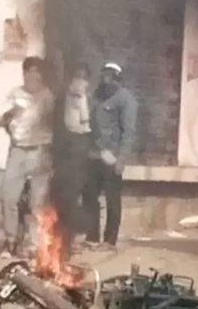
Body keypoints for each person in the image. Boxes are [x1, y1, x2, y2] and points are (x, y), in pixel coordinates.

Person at [0, 56, 54, 259]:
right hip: (18, 150)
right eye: (28, 71)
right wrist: (4, 119)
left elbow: (55, 123)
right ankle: (11, 241)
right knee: (9, 196)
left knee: (37, 202)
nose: (32, 75)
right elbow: (2, 119)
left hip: (40, 150)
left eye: (36, 71)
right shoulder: (15, 94)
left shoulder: (49, 97)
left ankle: (33, 244)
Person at [83, 63, 138, 251]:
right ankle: (92, 236)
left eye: (110, 77)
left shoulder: (126, 100)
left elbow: (129, 132)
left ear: (117, 78)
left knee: (112, 198)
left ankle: (109, 240)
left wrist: (121, 158)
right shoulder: (97, 95)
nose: (106, 80)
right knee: (89, 195)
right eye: (104, 76)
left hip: (112, 156)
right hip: (94, 154)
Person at [51, 63, 93, 256]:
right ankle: (59, 241)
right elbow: (54, 125)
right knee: (59, 200)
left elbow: (96, 130)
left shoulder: (92, 103)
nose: (78, 81)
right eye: (76, 77)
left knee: (72, 199)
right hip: (60, 157)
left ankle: (69, 241)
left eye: (82, 77)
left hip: (80, 159)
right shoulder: (60, 100)